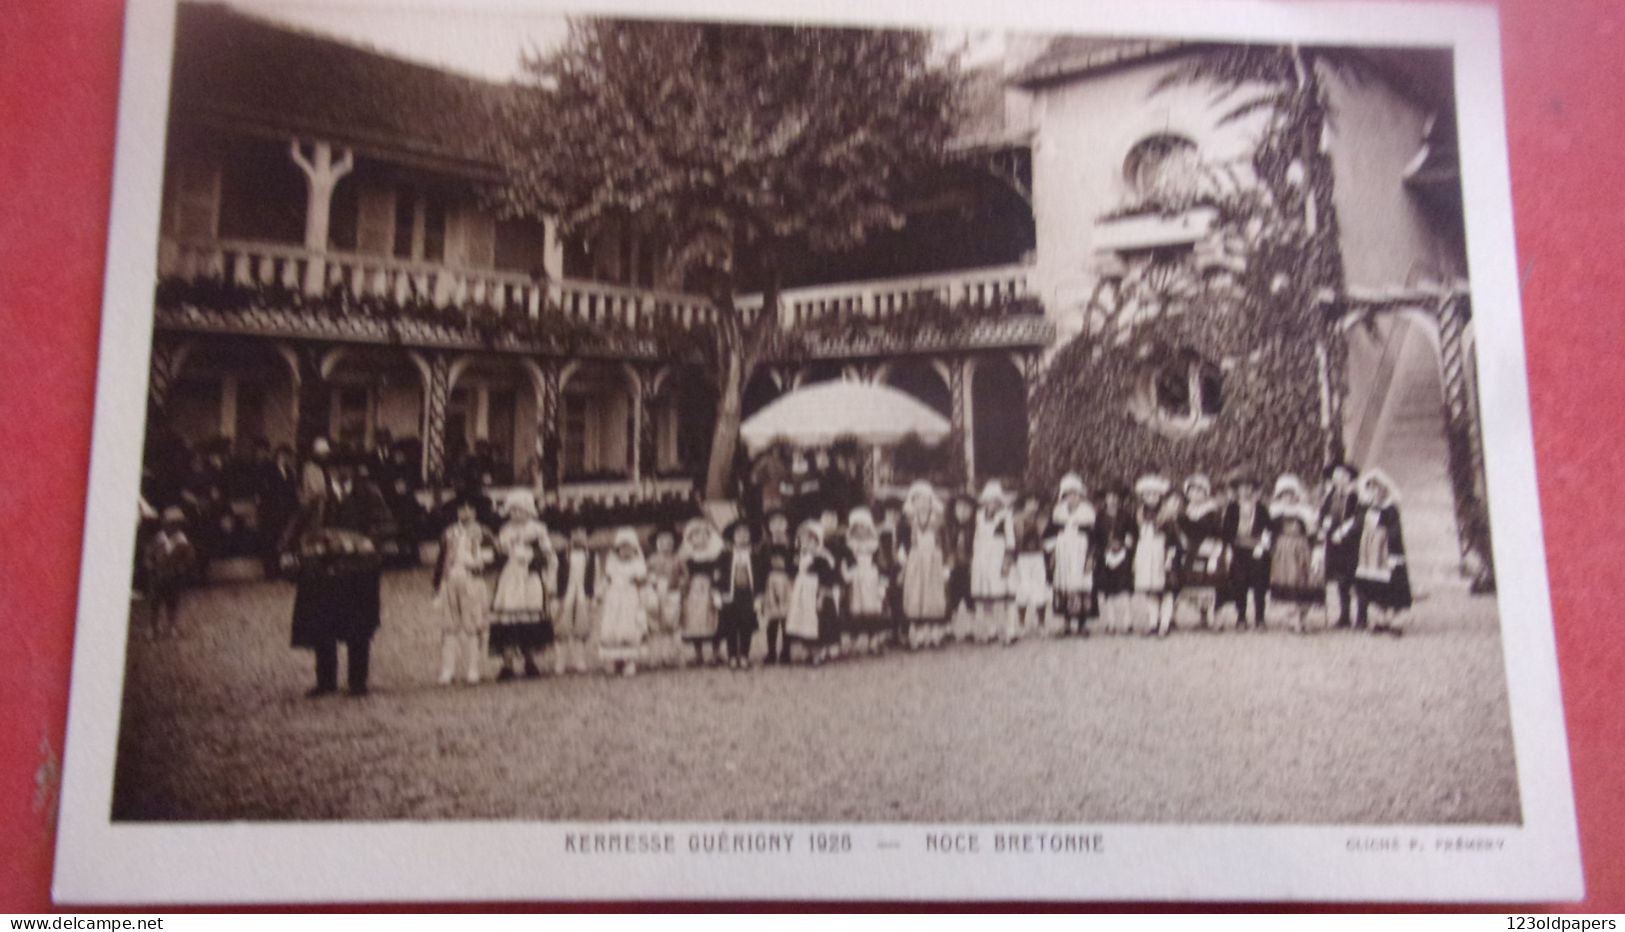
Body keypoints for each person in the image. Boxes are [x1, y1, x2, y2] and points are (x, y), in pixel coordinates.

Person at [488, 491, 555, 680]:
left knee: (529, 619)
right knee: (509, 619)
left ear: (528, 511)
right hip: (511, 577)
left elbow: (548, 554)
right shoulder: (506, 530)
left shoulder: (537, 530)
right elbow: (499, 554)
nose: (517, 514)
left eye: (521, 510)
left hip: (529, 577)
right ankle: (507, 663)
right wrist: (501, 551)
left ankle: (530, 660)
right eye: (513, 510)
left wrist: (535, 557)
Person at [431, 496, 495, 686]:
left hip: (472, 579)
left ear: (476, 511)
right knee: (449, 627)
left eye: (469, 508)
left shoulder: (483, 532)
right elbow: (441, 560)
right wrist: (437, 585)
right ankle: (448, 669)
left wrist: (477, 562)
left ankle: (473, 668)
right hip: (451, 579)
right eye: (461, 509)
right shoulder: (449, 532)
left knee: (473, 625)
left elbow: (490, 558)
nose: (465, 512)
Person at [1353, 469, 1412, 636]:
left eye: (1377, 489)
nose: (1374, 492)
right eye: (1370, 489)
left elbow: (1395, 532)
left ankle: (1395, 621)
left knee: (1392, 585)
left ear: (1384, 490)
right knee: (1372, 583)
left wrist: (1394, 554)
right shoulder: (1365, 508)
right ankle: (1380, 618)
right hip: (1369, 551)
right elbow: (1358, 526)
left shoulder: (1390, 509)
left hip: (1386, 550)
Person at [1265, 475, 1323, 633]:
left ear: (1296, 495)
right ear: (1279, 496)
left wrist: (1317, 550)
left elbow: (1314, 534)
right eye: (1284, 495)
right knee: (1288, 580)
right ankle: (1292, 616)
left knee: (1303, 580)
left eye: (1291, 494)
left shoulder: (1304, 513)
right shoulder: (1276, 513)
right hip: (1283, 550)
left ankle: (1302, 616)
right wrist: (1266, 545)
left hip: (1301, 549)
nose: (1288, 498)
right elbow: (1269, 532)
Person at [898, 480, 950, 648]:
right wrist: (902, 558)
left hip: (934, 561)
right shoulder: (907, 522)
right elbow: (902, 544)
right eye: (918, 499)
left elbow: (945, 543)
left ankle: (933, 631)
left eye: (925, 499)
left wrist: (946, 565)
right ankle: (917, 633)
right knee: (916, 593)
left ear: (931, 501)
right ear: (912, 502)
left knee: (932, 594)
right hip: (915, 561)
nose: (922, 504)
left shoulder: (938, 521)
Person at [1044, 473, 1095, 637]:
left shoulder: (1088, 512)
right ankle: (1066, 623)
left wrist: (1091, 556)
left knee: (1081, 584)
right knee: (1064, 584)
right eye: (1068, 494)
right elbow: (1049, 534)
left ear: (1080, 495)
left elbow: (1095, 537)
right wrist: (1052, 552)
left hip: (1081, 552)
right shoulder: (1058, 512)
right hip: (1063, 553)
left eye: (1075, 494)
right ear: (1063, 496)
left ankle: (1082, 624)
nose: (1072, 498)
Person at [1131, 474, 1180, 637]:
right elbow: (1136, 535)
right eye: (1147, 494)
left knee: (1165, 589)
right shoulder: (1139, 514)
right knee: (1150, 590)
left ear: (1160, 496)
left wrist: (1169, 558)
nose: (1151, 498)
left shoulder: (1167, 515)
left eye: (1155, 494)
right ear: (1143, 497)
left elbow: (1173, 540)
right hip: (1145, 553)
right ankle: (1153, 622)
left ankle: (1165, 623)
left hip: (1162, 553)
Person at [1221, 468, 1271, 630]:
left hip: (1257, 550)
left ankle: (1260, 618)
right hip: (1238, 549)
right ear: (1237, 490)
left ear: (1254, 489)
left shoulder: (1261, 508)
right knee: (1239, 583)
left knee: (1259, 584)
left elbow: (1268, 528)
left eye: (1249, 487)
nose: (1245, 490)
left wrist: (1263, 544)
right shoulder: (1232, 507)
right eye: (1242, 487)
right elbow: (1226, 531)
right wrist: (1228, 548)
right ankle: (1241, 617)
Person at [784, 520, 839, 664]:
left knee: (817, 621)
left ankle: (818, 652)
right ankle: (807, 650)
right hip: (802, 591)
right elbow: (793, 572)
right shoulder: (800, 557)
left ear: (817, 542)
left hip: (815, 592)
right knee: (803, 619)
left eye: (811, 541)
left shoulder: (822, 559)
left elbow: (827, 579)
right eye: (803, 541)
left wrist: (821, 596)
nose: (807, 544)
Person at [1177, 474, 1228, 630]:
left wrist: (1214, 544)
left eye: (1199, 491)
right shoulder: (1185, 510)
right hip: (1192, 548)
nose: (1195, 494)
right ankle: (1202, 616)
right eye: (1192, 491)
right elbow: (1182, 531)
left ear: (1205, 493)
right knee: (1195, 581)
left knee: (1211, 581)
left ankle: (1214, 617)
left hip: (1208, 547)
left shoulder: (1212, 510)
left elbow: (1215, 531)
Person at [598, 528, 649, 676]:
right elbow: (606, 580)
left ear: (635, 550)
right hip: (614, 600)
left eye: (630, 549)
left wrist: (641, 586)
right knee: (612, 627)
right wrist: (600, 593)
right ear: (617, 550)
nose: (626, 552)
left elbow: (642, 582)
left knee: (628, 627)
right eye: (622, 548)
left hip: (630, 600)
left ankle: (629, 660)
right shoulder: (612, 565)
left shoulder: (638, 565)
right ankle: (613, 659)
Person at [970, 481, 1016, 645]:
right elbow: (976, 538)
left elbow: (1010, 541)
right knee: (987, 596)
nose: (992, 504)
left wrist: (1007, 562)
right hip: (983, 558)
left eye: (995, 501)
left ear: (999, 502)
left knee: (1004, 595)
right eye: (989, 500)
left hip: (999, 557)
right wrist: (976, 560)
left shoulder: (1005, 517)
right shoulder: (978, 517)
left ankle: (1010, 628)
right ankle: (991, 629)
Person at [142, 507, 198, 639]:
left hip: (174, 577)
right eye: (171, 524)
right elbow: (148, 555)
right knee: (154, 603)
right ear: (164, 524)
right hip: (157, 576)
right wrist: (150, 564)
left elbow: (190, 558)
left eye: (177, 525)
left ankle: (172, 626)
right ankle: (153, 626)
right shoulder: (158, 540)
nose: (174, 527)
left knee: (172, 602)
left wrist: (181, 568)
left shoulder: (183, 542)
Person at [1319, 462, 1362, 628]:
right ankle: (1345, 615)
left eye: (1342, 475)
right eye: (1336, 476)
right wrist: (1323, 524)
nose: (1338, 479)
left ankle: (1361, 617)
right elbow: (1323, 513)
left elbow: (1359, 517)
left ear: (1349, 478)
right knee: (1341, 579)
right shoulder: (1331, 495)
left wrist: (1344, 531)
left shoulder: (1356, 496)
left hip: (1352, 542)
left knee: (1357, 579)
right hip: (1334, 543)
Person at [717, 520, 765, 669]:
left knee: (746, 625)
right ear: (733, 537)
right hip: (730, 595)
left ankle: (744, 655)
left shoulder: (756, 556)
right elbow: (718, 576)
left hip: (748, 595)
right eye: (739, 534)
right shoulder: (725, 556)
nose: (743, 537)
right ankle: (732, 656)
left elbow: (761, 578)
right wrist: (717, 594)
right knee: (730, 626)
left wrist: (759, 596)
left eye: (746, 533)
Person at [678, 517, 725, 666]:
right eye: (696, 535)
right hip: (693, 591)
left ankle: (716, 653)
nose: (701, 538)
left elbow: (719, 572)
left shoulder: (715, 555)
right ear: (690, 539)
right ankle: (698, 654)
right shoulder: (688, 558)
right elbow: (684, 574)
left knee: (714, 618)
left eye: (705, 534)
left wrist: (717, 585)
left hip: (710, 588)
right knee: (694, 620)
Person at [552, 526, 599, 674]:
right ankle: (560, 661)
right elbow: (553, 573)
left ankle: (579, 659)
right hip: (565, 592)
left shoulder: (591, 555)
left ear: (586, 535)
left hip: (583, 592)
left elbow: (596, 576)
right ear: (569, 535)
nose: (578, 536)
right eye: (574, 532)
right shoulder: (561, 555)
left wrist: (594, 595)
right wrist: (554, 592)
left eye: (582, 532)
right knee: (561, 626)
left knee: (581, 626)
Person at [842, 506, 888, 654]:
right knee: (855, 611)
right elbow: (846, 563)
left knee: (873, 610)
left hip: (871, 579)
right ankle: (855, 641)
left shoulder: (874, 546)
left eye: (864, 526)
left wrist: (882, 583)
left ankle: (873, 640)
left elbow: (881, 565)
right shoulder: (849, 546)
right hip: (855, 580)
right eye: (857, 526)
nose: (860, 529)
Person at [643, 528, 684, 667]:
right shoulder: (651, 560)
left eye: (669, 542)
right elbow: (644, 575)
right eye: (663, 541)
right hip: (655, 596)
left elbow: (685, 575)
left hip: (672, 594)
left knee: (672, 625)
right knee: (655, 626)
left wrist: (679, 584)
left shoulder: (678, 559)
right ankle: (655, 657)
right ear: (657, 543)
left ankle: (672, 656)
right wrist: (651, 581)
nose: (666, 544)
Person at [944, 492, 978, 641]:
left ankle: (970, 628)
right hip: (954, 565)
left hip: (969, 565)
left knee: (970, 597)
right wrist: (947, 562)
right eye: (960, 509)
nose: (963, 512)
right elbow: (946, 546)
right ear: (954, 510)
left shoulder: (974, 528)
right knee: (952, 597)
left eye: (967, 509)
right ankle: (950, 628)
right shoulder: (949, 528)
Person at [759, 534, 795, 664]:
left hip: (787, 585)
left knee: (787, 621)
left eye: (780, 559)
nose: (777, 561)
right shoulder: (765, 547)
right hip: (771, 586)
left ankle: (786, 652)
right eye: (774, 559)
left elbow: (794, 567)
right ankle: (771, 652)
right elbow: (761, 569)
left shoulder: (792, 545)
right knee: (772, 622)